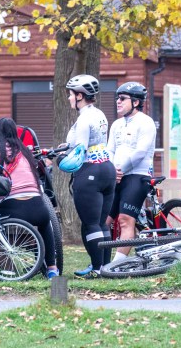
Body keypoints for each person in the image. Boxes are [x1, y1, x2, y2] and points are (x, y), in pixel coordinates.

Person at [0, 117, 59, 280]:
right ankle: (52, 268)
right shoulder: (24, 150)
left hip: (11, 209)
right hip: (38, 207)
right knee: (45, 225)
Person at [63, 74, 115, 279]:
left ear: (80, 96)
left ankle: (96, 268)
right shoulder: (100, 114)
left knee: (90, 224)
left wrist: (61, 160)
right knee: (102, 223)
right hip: (107, 170)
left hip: (90, 171)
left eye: (70, 94)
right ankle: (105, 267)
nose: (68, 98)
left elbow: (80, 152)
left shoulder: (84, 119)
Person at [103, 82, 158, 271]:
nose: (118, 101)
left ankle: (116, 266)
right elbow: (109, 150)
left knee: (126, 220)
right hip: (116, 176)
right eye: (117, 98)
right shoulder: (116, 124)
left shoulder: (146, 122)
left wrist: (121, 169)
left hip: (137, 175)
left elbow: (140, 152)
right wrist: (112, 169)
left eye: (122, 98)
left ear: (135, 102)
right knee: (104, 221)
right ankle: (100, 263)